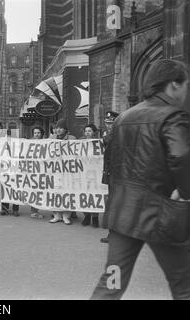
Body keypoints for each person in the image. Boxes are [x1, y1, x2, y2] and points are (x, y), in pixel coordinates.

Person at [91, 59, 190, 300]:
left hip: (122, 216)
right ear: (174, 85)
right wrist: (186, 191)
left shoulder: (124, 117)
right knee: (183, 284)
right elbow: (181, 155)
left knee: (112, 281)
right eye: (186, 84)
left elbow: (110, 160)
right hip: (160, 216)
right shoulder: (173, 116)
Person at [49, 119, 76, 225]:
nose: (58, 130)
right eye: (57, 128)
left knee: (67, 193)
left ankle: (66, 216)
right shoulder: (51, 139)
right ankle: (57, 215)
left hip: (67, 170)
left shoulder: (72, 139)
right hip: (55, 170)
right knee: (55, 193)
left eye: (60, 128)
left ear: (65, 129)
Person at [0, 120, 19, 216]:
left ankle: (15, 208)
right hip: (1, 165)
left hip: (11, 164)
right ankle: (4, 207)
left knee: (14, 186)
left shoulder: (6, 135)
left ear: (1, 126)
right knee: (3, 186)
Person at [99, 111, 119, 243]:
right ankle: (114, 234)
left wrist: (104, 139)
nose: (108, 125)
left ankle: (115, 235)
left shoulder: (116, 135)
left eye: (111, 123)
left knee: (115, 204)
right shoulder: (110, 135)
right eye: (107, 123)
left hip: (117, 174)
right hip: (112, 173)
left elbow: (108, 142)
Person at [80, 124, 100, 228]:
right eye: (86, 131)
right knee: (84, 194)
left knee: (94, 195)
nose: (87, 133)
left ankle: (95, 217)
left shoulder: (98, 143)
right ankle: (86, 216)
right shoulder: (80, 142)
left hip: (94, 173)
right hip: (83, 173)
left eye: (90, 131)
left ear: (94, 132)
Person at [30, 126, 45, 219]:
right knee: (34, 191)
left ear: (41, 134)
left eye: (38, 133)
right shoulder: (29, 143)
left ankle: (37, 210)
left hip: (43, 170)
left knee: (40, 192)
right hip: (32, 171)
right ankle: (34, 211)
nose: (36, 134)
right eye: (35, 133)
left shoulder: (45, 143)